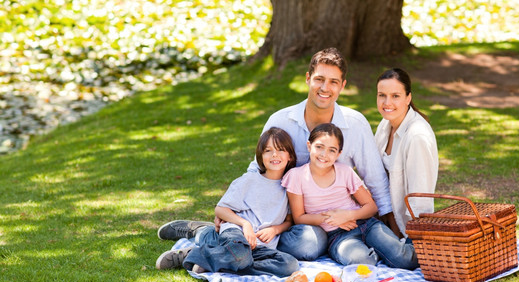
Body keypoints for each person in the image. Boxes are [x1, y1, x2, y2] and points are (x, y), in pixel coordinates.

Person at [158, 48, 395, 262]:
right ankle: (209, 236)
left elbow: (375, 180)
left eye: (333, 82)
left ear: (342, 86)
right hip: (288, 218)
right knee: (309, 246)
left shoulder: (355, 124)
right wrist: (234, 214)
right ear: (307, 79)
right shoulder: (281, 120)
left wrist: (393, 230)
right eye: (319, 79)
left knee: (314, 246)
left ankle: (219, 242)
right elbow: (258, 168)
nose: (325, 88)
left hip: (337, 218)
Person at [156, 127, 299, 277]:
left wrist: (275, 230)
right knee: (240, 254)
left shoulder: (290, 186)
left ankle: (214, 257)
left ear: (290, 156)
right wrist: (245, 224)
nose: (275, 155)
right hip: (236, 233)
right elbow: (220, 209)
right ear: (261, 156)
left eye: (281, 149)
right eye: (268, 150)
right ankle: (190, 255)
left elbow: (289, 220)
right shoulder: (249, 180)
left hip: (259, 247)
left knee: (289, 265)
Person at [282, 123, 418, 269]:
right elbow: (299, 217)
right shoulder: (296, 176)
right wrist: (333, 219)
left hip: (366, 224)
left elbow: (371, 207)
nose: (324, 154)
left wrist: (348, 215)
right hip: (338, 237)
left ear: (339, 154)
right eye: (319, 147)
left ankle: (417, 244)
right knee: (362, 262)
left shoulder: (345, 172)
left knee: (404, 260)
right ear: (309, 146)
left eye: (331, 150)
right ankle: (378, 251)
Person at [374, 68, 438, 239]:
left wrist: (414, 240)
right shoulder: (385, 124)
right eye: (382, 95)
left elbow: (420, 198)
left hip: (406, 228)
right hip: (383, 215)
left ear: (408, 98)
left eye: (395, 96)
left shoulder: (417, 136)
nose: (387, 102)